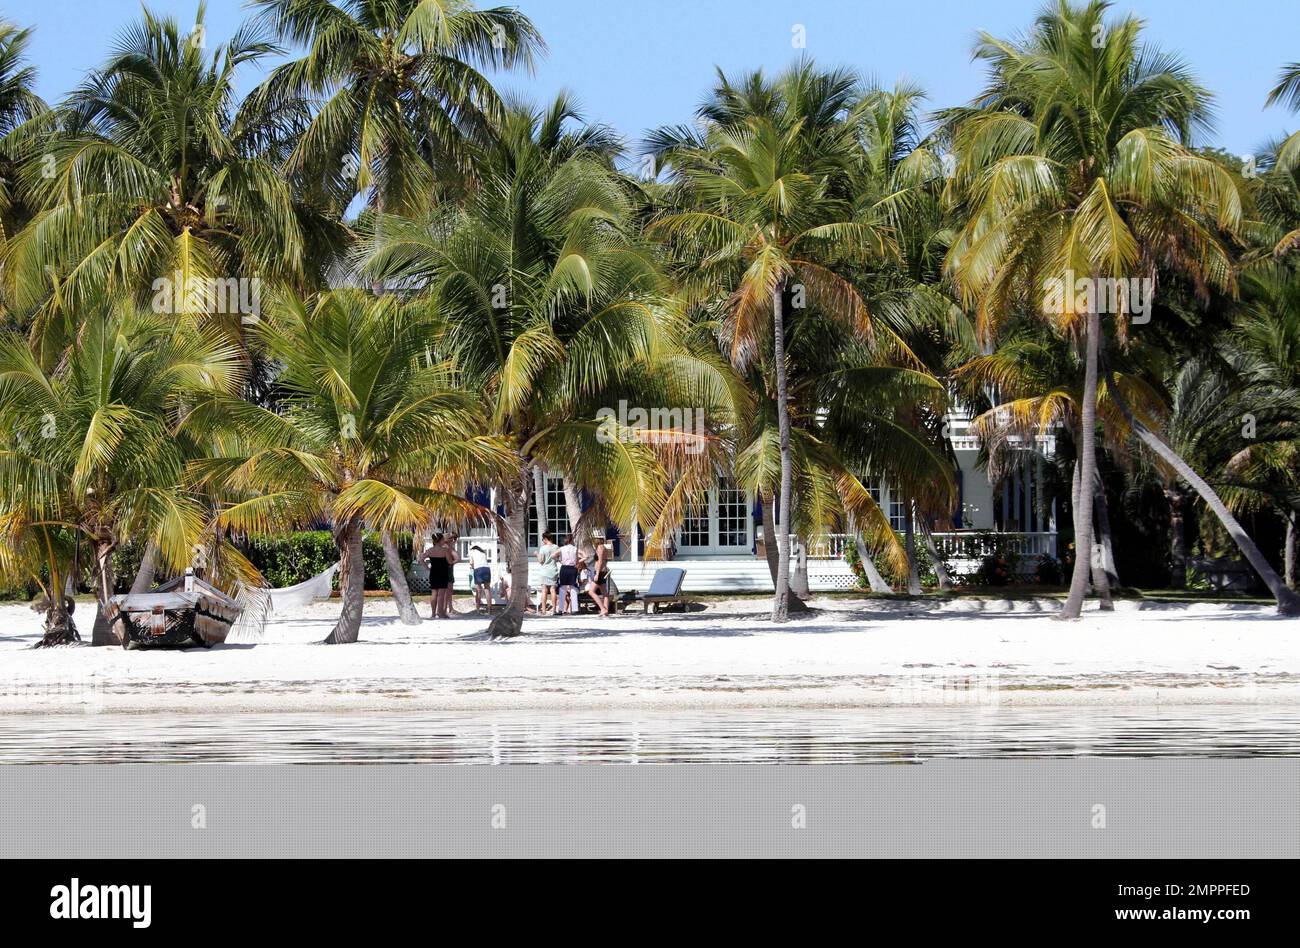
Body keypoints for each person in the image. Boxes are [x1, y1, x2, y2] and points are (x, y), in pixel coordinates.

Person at [586, 536, 612, 617]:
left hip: (599, 572)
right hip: (603, 571)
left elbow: (600, 561)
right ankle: (605, 610)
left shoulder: (600, 547)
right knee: (604, 593)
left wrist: (597, 573)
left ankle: (603, 608)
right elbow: (605, 560)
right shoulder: (603, 547)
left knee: (591, 591)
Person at [536, 531, 560, 615]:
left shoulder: (543, 548)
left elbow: (541, 561)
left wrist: (537, 554)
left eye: (543, 539)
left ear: (546, 539)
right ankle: (554, 610)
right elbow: (557, 559)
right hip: (553, 570)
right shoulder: (556, 547)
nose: (543, 540)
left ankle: (543, 610)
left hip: (544, 571)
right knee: (553, 590)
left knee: (544, 590)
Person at [556, 534, 581, 615]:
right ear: (572, 540)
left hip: (564, 568)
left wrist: (560, 560)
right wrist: (577, 562)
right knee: (573, 588)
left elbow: (553, 555)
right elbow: (582, 557)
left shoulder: (562, 548)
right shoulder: (575, 548)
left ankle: (560, 609)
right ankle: (574, 609)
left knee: (562, 588)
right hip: (573, 568)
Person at [468, 543, 492, 613]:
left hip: (478, 569)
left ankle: (477, 609)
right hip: (486, 569)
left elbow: (471, 563)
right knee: (487, 589)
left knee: (478, 590)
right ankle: (489, 609)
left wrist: (472, 568)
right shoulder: (482, 552)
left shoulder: (471, 552)